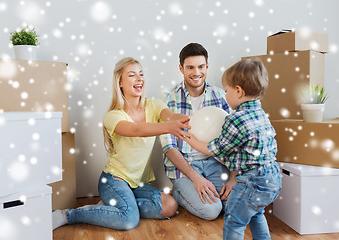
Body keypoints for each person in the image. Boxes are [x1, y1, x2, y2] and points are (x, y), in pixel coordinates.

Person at [53, 57, 191, 231]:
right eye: (132, 75)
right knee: (128, 220)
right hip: (114, 180)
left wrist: (186, 120)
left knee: (170, 206)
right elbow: (135, 130)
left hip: (138, 183)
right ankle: (68, 215)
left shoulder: (154, 105)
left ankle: (113, 208)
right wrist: (167, 127)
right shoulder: (113, 116)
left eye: (141, 74)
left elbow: (170, 116)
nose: (140, 79)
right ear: (120, 83)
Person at [184, 58, 282, 239]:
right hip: (273, 178)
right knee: (256, 213)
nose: (225, 95)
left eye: (226, 91)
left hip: (253, 182)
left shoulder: (236, 120)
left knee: (234, 220)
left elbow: (217, 149)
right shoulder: (261, 114)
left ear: (238, 91)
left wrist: (193, 141)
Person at [160, 43, 234, 221]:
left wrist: (233, 179)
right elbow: (168, 148)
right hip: (186, 168)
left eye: (201, 67)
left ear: (207, 67)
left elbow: (235, 140)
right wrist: (195, 178)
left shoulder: (221, 97)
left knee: (233, 207)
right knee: (211, 211)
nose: (196, 72)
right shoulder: (169, 100)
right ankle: (179, 194)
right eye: (190, 67)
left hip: (216, 162)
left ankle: (200, 193)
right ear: (181, 69)